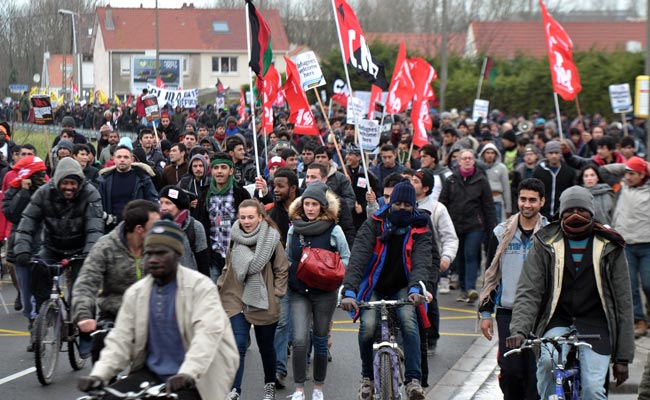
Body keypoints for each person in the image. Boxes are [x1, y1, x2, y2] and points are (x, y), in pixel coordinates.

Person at [77, 218, 239, 400]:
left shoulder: (200, 288)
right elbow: (120, 340)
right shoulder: (137, 293)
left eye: (161, 253)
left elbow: (206, 336)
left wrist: (188, 373)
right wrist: (99, 375)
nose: (153, 260)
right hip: (152, 374)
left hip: (199, 375)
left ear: (177, 255)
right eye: (149, 253)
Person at [507, 186, 634, 399]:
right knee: (547, 365)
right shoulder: (545, 242)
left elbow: (623, 302)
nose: (576, 215)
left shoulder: (610, 245)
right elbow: (529, 291)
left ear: (591, 214)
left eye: (582, 210)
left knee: (593, 389)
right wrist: (519, 330)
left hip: (597, 324)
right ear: (561, 213)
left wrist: (623, 357)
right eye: (570, 210)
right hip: (557, 320)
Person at [341, 180, 432, 400]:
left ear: (414, 206)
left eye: (407, 205)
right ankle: (367, 378)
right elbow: (359, 257)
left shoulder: (421, 227)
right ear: (389, 202)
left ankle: (413, 381)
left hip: (404, 288)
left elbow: (422, 261)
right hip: (374, 286)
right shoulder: (373, 224)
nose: (402, 208)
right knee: (368, 326)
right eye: (397, 203)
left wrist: (416, 289)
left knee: (410, 325)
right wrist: (350, 291)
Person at [478, 178, 548, 400]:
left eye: (532, 200)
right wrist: (486, 313)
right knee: (511, 372)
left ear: (542, 202)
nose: (527, 204)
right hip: (508, 312)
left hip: (540, 314)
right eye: (523, 199)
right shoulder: (501, 232)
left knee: (535, 375)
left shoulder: (550, 234)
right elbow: (491, 275)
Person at [72, 200, 161, 361]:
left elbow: (178, 279)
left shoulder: (158, 246)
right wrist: (84, 314)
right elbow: (86, 281)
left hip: (152, 315)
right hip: (115, 315)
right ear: (139, 229)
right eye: (154, 226)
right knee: (101, 357)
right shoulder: (106, 246)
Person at [285, 182, 350, 400]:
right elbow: (287, 255)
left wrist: (334, 275)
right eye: (306, 204)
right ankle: (299, 389)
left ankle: (318, 388)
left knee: (321, 338)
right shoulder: (293, 228)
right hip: (298, 292)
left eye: (314, 204)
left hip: (325, 293)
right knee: (300, 340)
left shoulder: (334, 229)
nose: (310, 208)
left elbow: (346, 258)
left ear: (322, 206)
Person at [219, 200, 289, 400]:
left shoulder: (271, 239)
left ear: (260, 217)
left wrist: (277, 294)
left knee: (266, 347)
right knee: (238, 344)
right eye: (242, 217)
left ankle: (269, 385)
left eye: (251, 217)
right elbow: (228, 263)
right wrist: (222, 282)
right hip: (235, 297)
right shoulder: (235, 237)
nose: (246, 221)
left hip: (263, 298)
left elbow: (282, 268)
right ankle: (235, 390)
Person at [1, 155, 49, 351]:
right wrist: (23, 192)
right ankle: (32, 321)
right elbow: (11, 213)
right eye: (38, 174)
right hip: (20, 247)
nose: (42, 177)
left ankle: (41, 330)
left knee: (43, 293)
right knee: (26, 292)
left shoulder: (49, 190)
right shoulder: (15, 189)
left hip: (44, 246)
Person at [601, 156, 650, 337]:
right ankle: (639, 320)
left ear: (642, 174)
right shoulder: (622, 186)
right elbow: (604, 171)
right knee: (630, 286)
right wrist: (628, 166)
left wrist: (644, 166)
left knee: (648, 283)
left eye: (632, 174)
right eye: (626, 173)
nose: (628, 177)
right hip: (626, 244)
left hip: (647, 245)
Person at [439, 149, 497, 303]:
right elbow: (443, 203)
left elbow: (488, 205)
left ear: (474, 161)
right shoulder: (451, 180)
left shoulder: (481, 180)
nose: (467, 161)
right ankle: (464, 289)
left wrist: (492, 227)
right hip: (455, 225)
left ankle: (471, 288)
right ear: (458, 161)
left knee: (471, 254)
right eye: (464, 158)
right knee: (460, 258)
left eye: (470, 158)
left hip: (475, 225)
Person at [206, 153, 251, 281]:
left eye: (223, 167)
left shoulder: (241, 193)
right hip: (214, 257)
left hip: (236, 256)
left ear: (231, 170)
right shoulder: (205, 195)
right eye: (216, 168)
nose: (219, 171)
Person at [98, 144, 159, 225]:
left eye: (126, 157)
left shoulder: (143, 179)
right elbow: (98, 204)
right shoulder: (105, 180)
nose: (122, 160)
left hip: (137, 226)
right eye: (119, 157)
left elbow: (153, 202)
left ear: (132, 159)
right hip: (110, 226)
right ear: (113, 159)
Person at [159, 185, 210, 275]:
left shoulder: (194, 227)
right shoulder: (156, 227)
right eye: (161, 203)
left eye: (168, 203)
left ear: (179, 205)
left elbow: (203, 263)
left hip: (189, 284)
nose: (163, 207)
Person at [533, 141, 577, 220]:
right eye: (551, 153)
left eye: (556, 153)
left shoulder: (568, 171)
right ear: (546, 154)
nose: (554, 156)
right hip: (542, 214)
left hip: (562, 214)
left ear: (560, 154)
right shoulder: (539, 171)